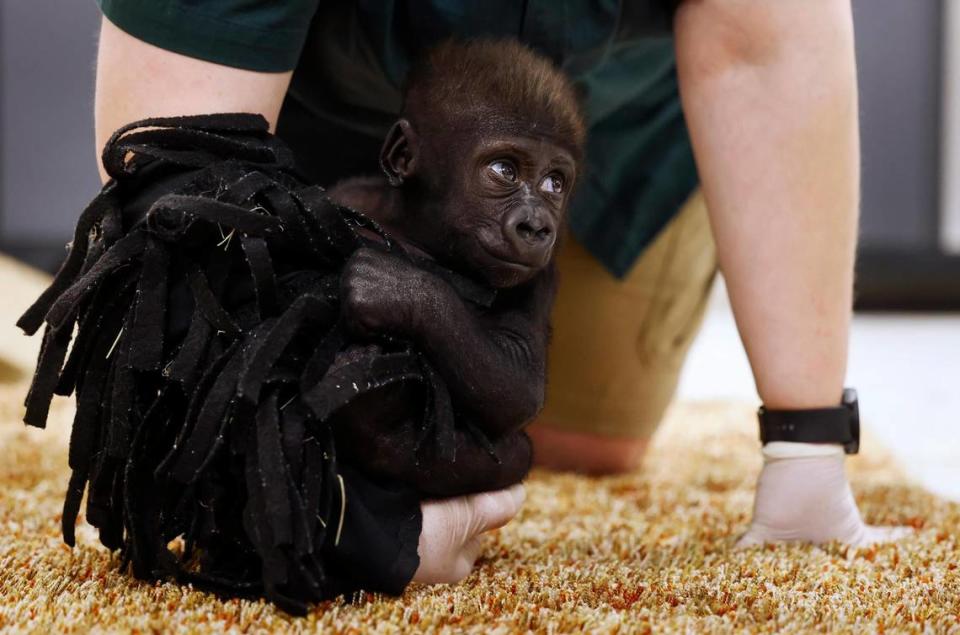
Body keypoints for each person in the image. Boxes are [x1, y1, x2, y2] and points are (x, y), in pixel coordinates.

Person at [91, 0, 905, 584]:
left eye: (547, 188)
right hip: (303, 119)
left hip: (622, 116)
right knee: (259, 405)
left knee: (582, 446)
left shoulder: (540, 202)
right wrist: (350, 523)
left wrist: (808, 451)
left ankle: (547, 183)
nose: (533, 219)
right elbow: (175, 199)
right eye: (518, 181)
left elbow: (768, 46)